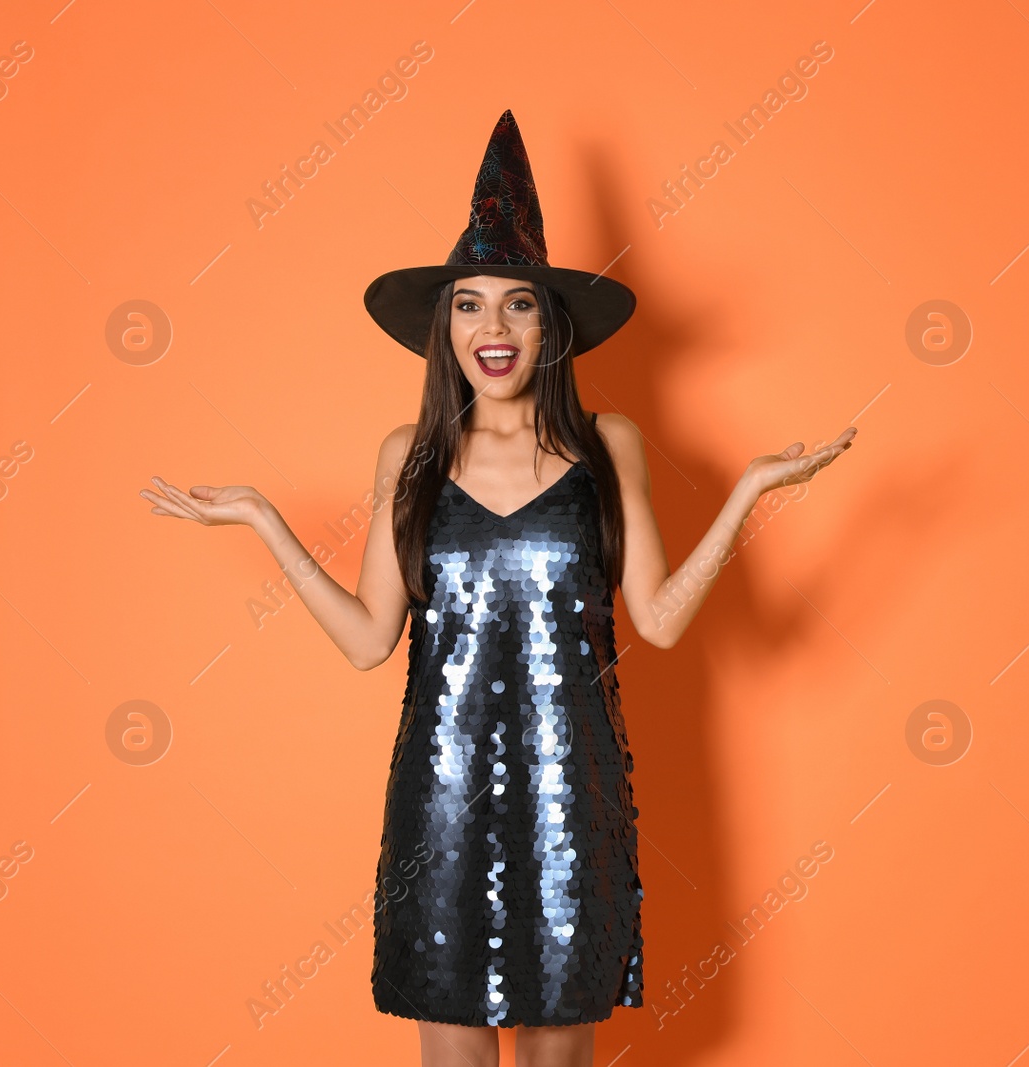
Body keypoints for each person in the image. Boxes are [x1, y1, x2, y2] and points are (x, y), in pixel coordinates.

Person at [140, 110, 854, 1067]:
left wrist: (749, 493)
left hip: (575, 798)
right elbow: (366, 640)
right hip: (441, 801)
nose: (493, 326)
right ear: (445, 328)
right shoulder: (411, 455)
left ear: (550, 324)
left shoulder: (611, 446)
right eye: (470, 304)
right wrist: (270, 523)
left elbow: (661, 618)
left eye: (517, 303)